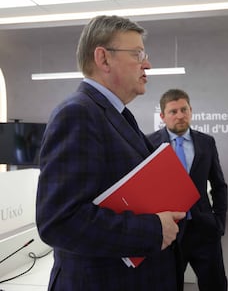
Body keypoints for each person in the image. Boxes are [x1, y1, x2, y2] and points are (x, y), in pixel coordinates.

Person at [36, 15, 185, 291]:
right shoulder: (77, 114)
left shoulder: (116, 115)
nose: (147, 64)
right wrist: (153, 229)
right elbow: (59, 221)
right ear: (103, 59)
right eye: (138, 54)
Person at [147, 88, 228, 291]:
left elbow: (219, 185)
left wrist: (219, 223)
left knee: (215, 284)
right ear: (163, 116)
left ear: (191, 110)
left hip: (205, 230)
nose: (180, 116)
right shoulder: (149, 144)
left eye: (184, 109)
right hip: (169, 231)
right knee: (169, 285)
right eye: (173, 112)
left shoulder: (206, 143)